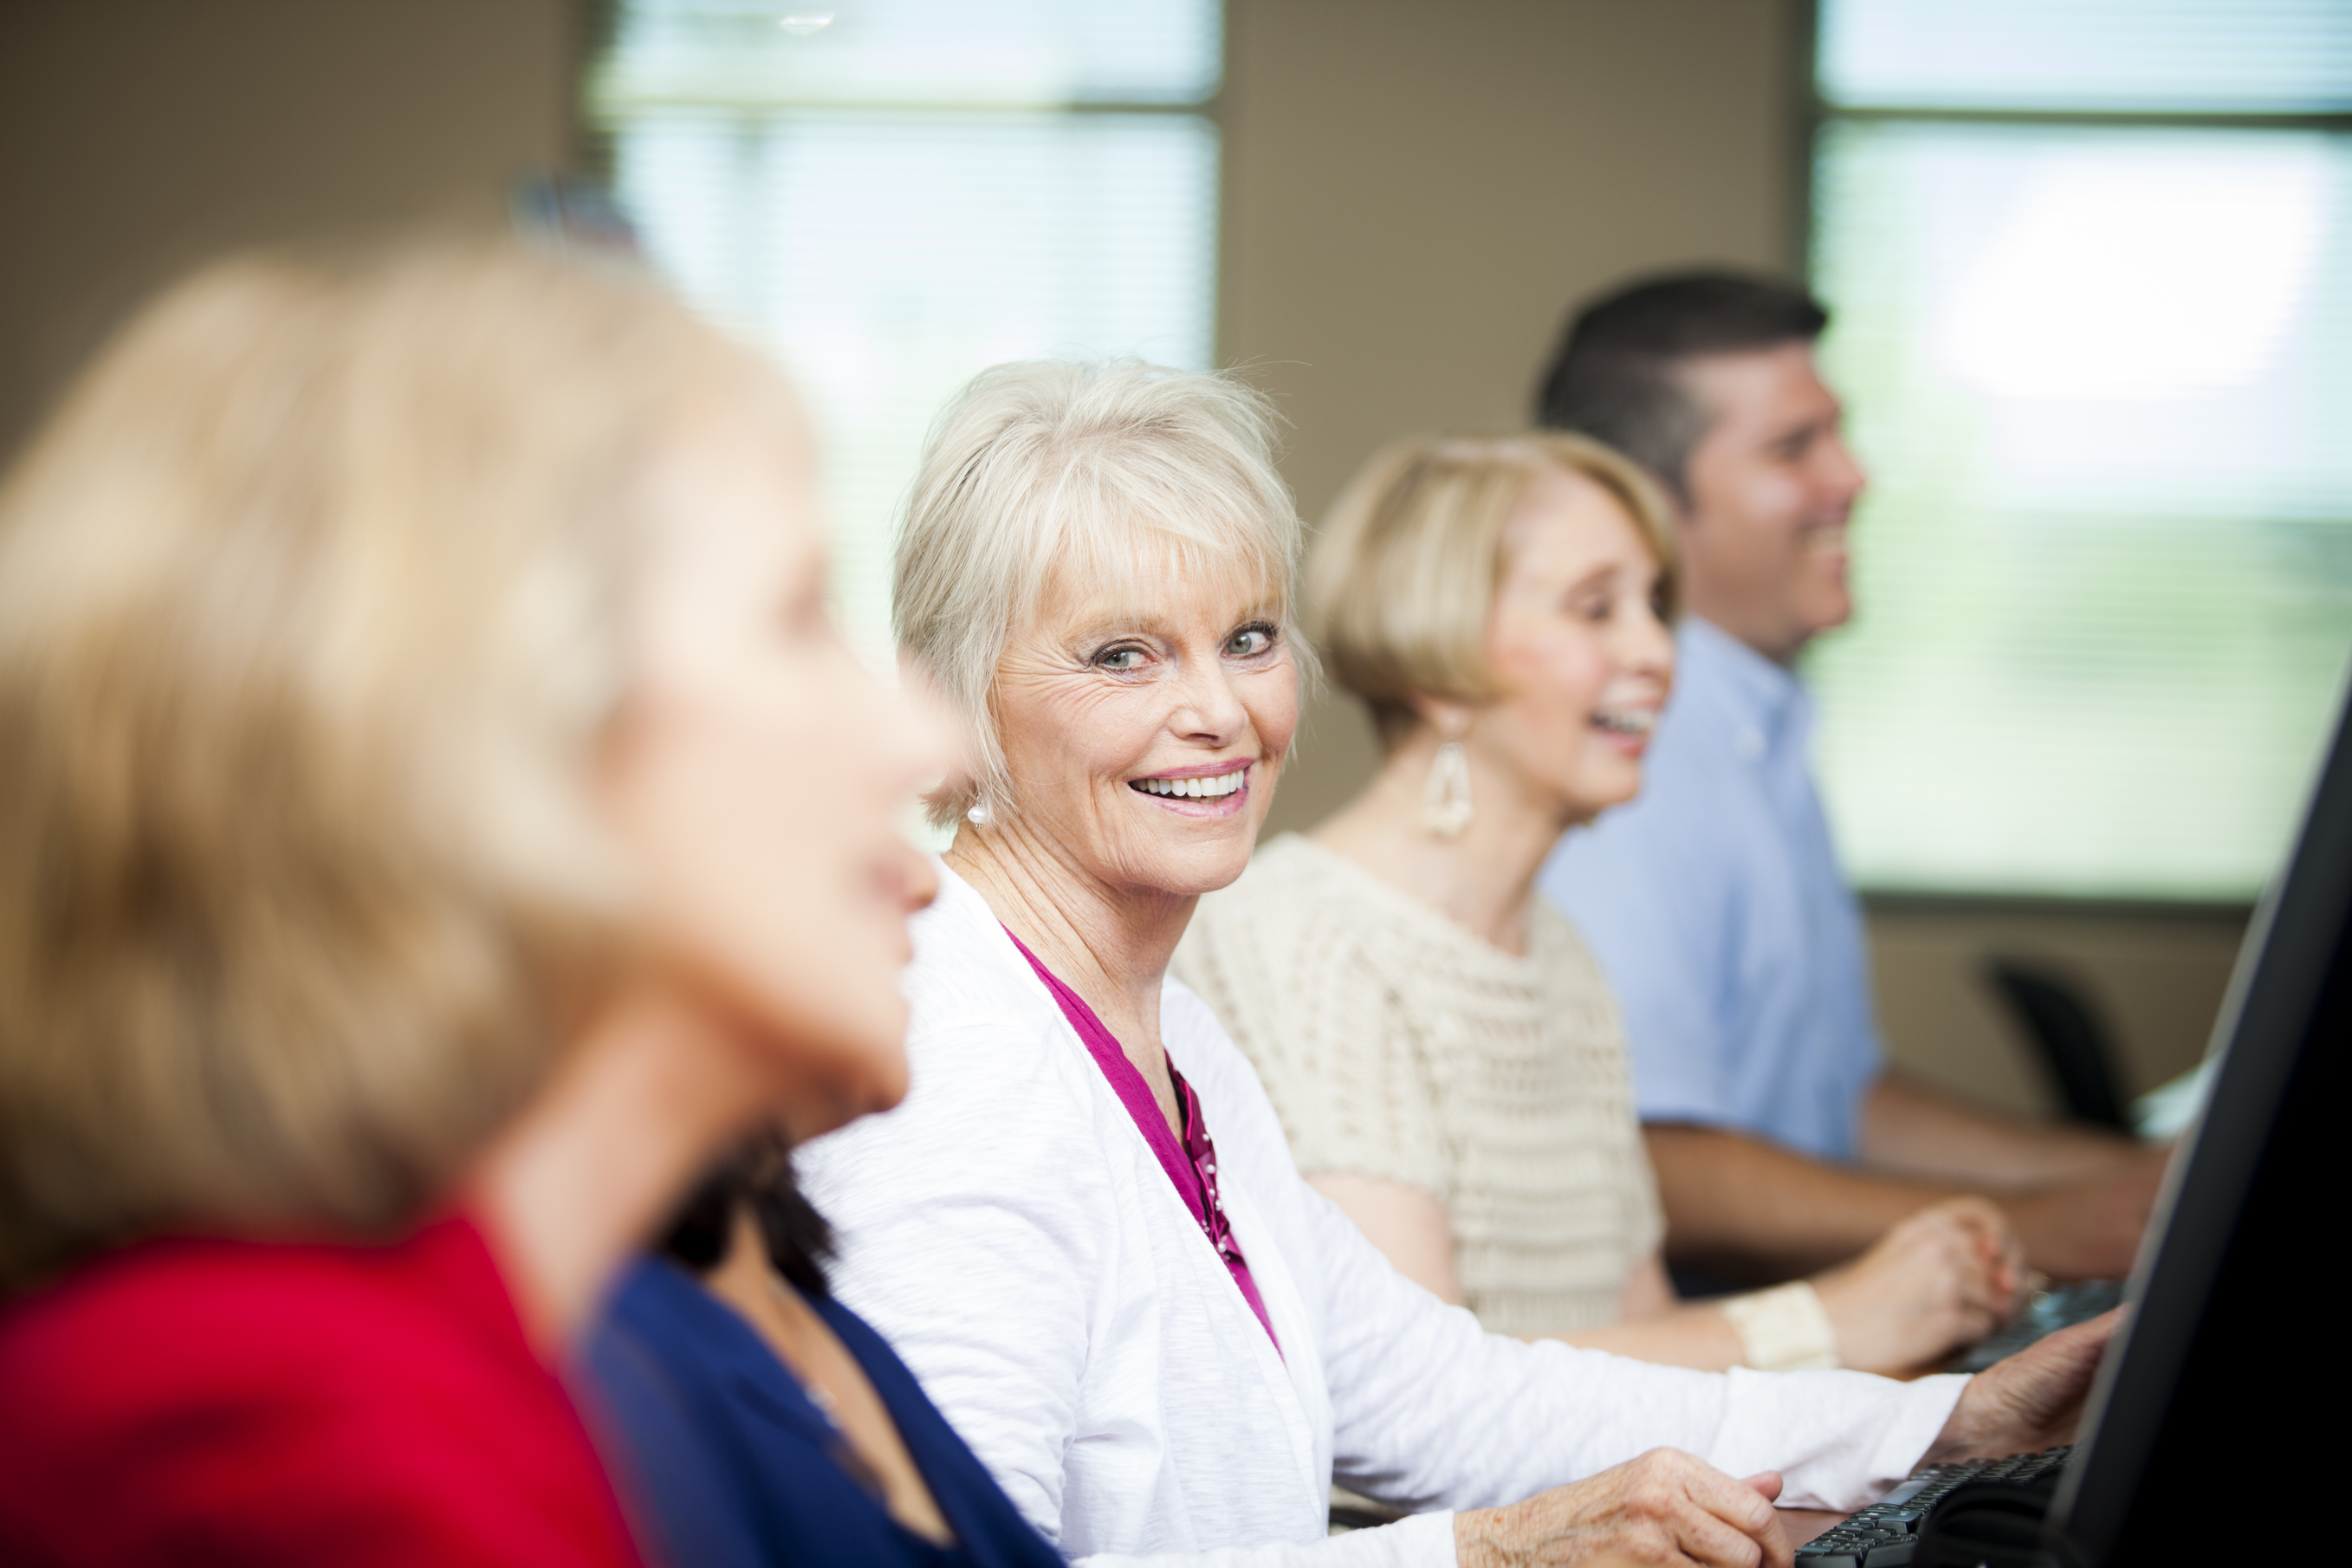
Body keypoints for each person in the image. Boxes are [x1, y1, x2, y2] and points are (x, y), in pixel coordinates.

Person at [795, 357, 2119, 1568]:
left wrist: (1940, 1423)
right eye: (1120, 654)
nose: (1217, 710)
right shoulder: (945, 1067)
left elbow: (1454, 1394)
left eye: (1247, 638)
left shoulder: (1168, 1037)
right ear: (946, 703)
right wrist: (1486, 1554)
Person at [0, 240, 962, 1565]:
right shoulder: (278, 1443)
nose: (921, 744)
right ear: (502, 744)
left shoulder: (476, 1375)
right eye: (797, 618)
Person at [1174, 431, 2020, 1377]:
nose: (1656, 651)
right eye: (1596, 608)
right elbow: (1412, 1396)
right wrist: (1829, 1322)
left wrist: (1934, 1412)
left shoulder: (1559, 956)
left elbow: (1648, 1343)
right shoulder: (1295, 937)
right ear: (1439, 667)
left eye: (1654, 606)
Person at [1533, 272, 2167, 1285]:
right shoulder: (1633, 756)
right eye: (1794, 448)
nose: (1853, 476)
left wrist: (2130, 1181)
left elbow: (1840, 1097)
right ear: (1647, 507)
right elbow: (1656, 1162)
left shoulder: (1757, 728)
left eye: (1838, 434)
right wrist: (2031, 1225)